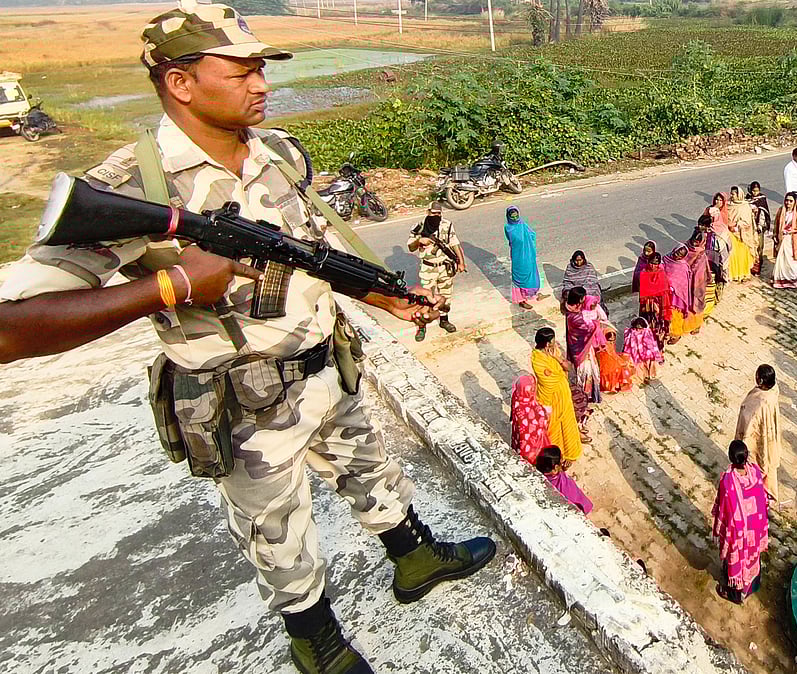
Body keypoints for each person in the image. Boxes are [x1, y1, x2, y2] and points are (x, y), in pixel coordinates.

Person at [0, 4, 496, 670]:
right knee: (277, 532)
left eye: (261, 68)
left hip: (326, 368)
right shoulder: (136, 186)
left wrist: (373, 291)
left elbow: (307, 255)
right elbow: (11, 328)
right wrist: (169, 288)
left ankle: (414, 558)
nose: (261, 83)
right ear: (180, 83)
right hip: (246, 406)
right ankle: (316, 641)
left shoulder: (283, 154)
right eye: (241, 70)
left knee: (371, 470)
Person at [712, 440, 769, 604]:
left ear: (731, 458)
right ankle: (752, 585)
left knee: (736, 561)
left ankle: (735, 595)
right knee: (752, 558)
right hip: (755, 528)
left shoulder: (728, 482)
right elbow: (762, 500)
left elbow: (724, 509)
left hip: (738, 533)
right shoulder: (756, 473)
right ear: (746, 457)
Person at [409, 201, 466, 341]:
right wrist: (420, 241)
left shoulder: (446, 225)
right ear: (428, 212)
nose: (436, 216)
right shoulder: (419, 227)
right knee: (423, 300)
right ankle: (422, 326)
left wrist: (461, 262)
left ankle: (444, 320)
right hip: (428, 267)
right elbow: (410, 247)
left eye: (439, 213)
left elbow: (455, 244)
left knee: (445, 296)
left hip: (445, 267)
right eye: (434, 213)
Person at [532, 327, 586, 463]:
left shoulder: (555, 351)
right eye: (553, 340)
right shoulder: (536, 358)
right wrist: (559, 375)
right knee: (553, 425)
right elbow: (547, 382)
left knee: (568, 421)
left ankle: (570, 450)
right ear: (547, 343)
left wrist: (558, 358)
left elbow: (569, 367)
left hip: (563, 394)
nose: (555, 342)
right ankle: (556, 454)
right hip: (550, 399)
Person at [734, 364, 783, 501]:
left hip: (755, 436)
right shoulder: (773, 391)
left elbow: (750, 421)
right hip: (768, 434)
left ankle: (751, 492)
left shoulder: (761, 402)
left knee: (754, 462)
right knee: (766, 459)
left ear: (760, 380)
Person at [564, 286, 611, 403]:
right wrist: (596, 319)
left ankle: (588, 393)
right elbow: (591, 327)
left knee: (587, 369)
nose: (585, 299)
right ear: (578, 299)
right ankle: (585, 396)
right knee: (587, 371)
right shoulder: (575, 317)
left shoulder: (571, 308)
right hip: (581, 349)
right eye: (583, 298)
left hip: (579, 344)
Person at [665, 231, 711, 339]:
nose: (694, 244)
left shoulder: (701, 255)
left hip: (694, 285)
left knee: (694, 304)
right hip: (680, 286)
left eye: (697, 242)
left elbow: (701, 272)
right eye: (693, 241)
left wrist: (692, 279)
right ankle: (676, 330)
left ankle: (695, 326)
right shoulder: (683, 248)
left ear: (701, 242)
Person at [535, 446, 593, 515]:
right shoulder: (564, 488)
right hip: (580, 506)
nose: (563, 460)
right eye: (561, 459)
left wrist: (563, 468)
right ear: (556, 467)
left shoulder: (545, 473)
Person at [504, 205, 541, 309]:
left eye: (516, 216)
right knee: (519, 276)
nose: (515, 218)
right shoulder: (508, 228)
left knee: (531, 273)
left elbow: (532, 234)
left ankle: (532, 293)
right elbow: (513, 240)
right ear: (508, 216)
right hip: (518, 255)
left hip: (529, 253)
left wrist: (529, 243)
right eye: (512, 216)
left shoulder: (523, 225)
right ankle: (521, 300)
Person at [510, 375, 551, 465]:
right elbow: (540, 424)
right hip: (533, 445)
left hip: (521, 441)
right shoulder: (533, 407)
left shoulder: (516, 400)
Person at [636, 250, 672, 348]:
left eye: (656, 264)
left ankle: (658, 349)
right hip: (646, 307)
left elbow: (665, 291)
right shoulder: (643, 273)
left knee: (658, 329)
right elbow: (642, 291)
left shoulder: (661, 274)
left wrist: (662, 308)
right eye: (651, 263)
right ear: (648, 262)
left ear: (659, 264)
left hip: (659, 307)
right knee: (646, 326)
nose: (653, 265)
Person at [727, 185, 757, 282]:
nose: (731, 196)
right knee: (732, 255)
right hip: (730, 233)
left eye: (733, 194)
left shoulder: (744, 206)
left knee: (742, 255)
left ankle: (744, 274)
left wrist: (736, 226)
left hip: (741, 235)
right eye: (731, 194)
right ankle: (734, 274)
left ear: (739, 195)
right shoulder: (729, 205)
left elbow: (747, 222)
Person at [560, 250, 603, 314]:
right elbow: (567, 282)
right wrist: (574, 292)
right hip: (574, 289)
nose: (578, 262)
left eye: (580, 260)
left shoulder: (589, 266)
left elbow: (592, 280)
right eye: (576, 260)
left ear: (583, 259)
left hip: (587, 288)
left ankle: (588, 307)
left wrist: (583, 292)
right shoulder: (570, 268)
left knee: (592, 292)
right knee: (568, 294)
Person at [623, 316, 664, 382]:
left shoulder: (647, 332)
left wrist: (652, 352)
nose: (638, 330)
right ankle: (642, 376)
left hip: (645, 352)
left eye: (640, 328)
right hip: (635, 352)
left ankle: (649, 374)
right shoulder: (631, 332)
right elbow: (628, 342)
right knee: (638, 364)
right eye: (637, 328)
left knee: (647, 362)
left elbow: (650, 343)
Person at [747, 181, 772, 273]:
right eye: (753, 191)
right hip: (749, 227)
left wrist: (760, 226)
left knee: (759, 247)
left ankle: (758, 267)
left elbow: (764, 214)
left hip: (759, 227)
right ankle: (750, 265)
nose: (755, 193)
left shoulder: (762, 199)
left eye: (757, 191)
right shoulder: (747, 199)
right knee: (750, 246)